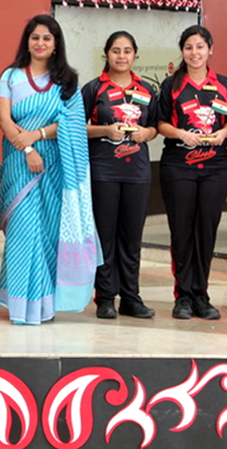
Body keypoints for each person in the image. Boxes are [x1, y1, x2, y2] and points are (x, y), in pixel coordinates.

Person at [0, 15, 101, 325]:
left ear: (56, 46)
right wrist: (27, 148)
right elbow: (3, 118)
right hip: (19, 164)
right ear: (26, 42)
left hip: (56, 165)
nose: (40, 43)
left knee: (47, 233)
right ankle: (21, 306)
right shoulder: (11, 76)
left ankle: (44, 306)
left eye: (47, 38)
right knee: (23, 231)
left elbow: (72, 124)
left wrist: (38, 136)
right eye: (35, 37)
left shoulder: (67, 81)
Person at [156, 25, 227, 321]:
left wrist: (223, 133)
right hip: (179, 166)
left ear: (210, 49)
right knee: (182, 231)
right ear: (182, 51)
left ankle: (201, 294)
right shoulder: (172, 84)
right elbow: (160, 123)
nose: (195, 52)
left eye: (200, 46)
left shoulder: (224, 84)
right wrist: (180, 134)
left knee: (206, 231)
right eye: (189, 47)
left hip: (215, 167)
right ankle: (183, 296)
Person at [82, 31, 158, 320]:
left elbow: (155, 127)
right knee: (105, 236)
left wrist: (145, 134)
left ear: (135, 55)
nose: (121, 56)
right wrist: (105, 130)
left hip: (137, 172)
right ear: (107, 54)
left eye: (127, 51)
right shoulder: (94, 88)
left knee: (131, 238)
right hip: (104, 171)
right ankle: (104, 298)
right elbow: (77, 126)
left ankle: (131, 297)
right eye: (116, 51)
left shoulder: (148, 89)